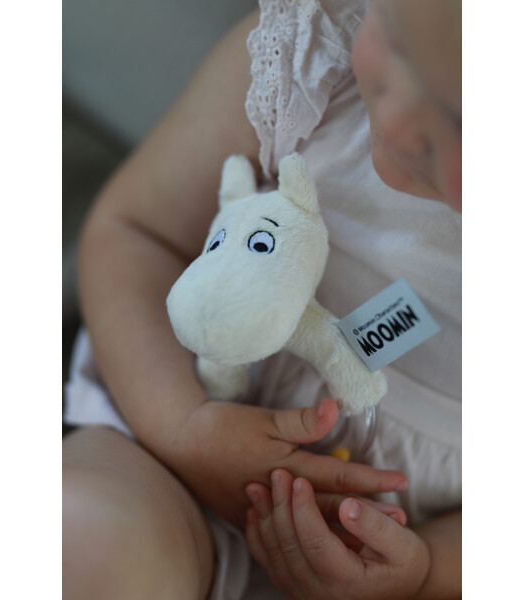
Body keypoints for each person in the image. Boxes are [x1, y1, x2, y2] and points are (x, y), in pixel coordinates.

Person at [63, 0, 461, 599]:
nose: (398, 115)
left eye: (462, 120)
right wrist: (185, 428)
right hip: (170, 439)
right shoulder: (316, 52)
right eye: (397, 44)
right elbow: (131, 232)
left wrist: (428, 571)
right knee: (84, 543)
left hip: (408, 551)